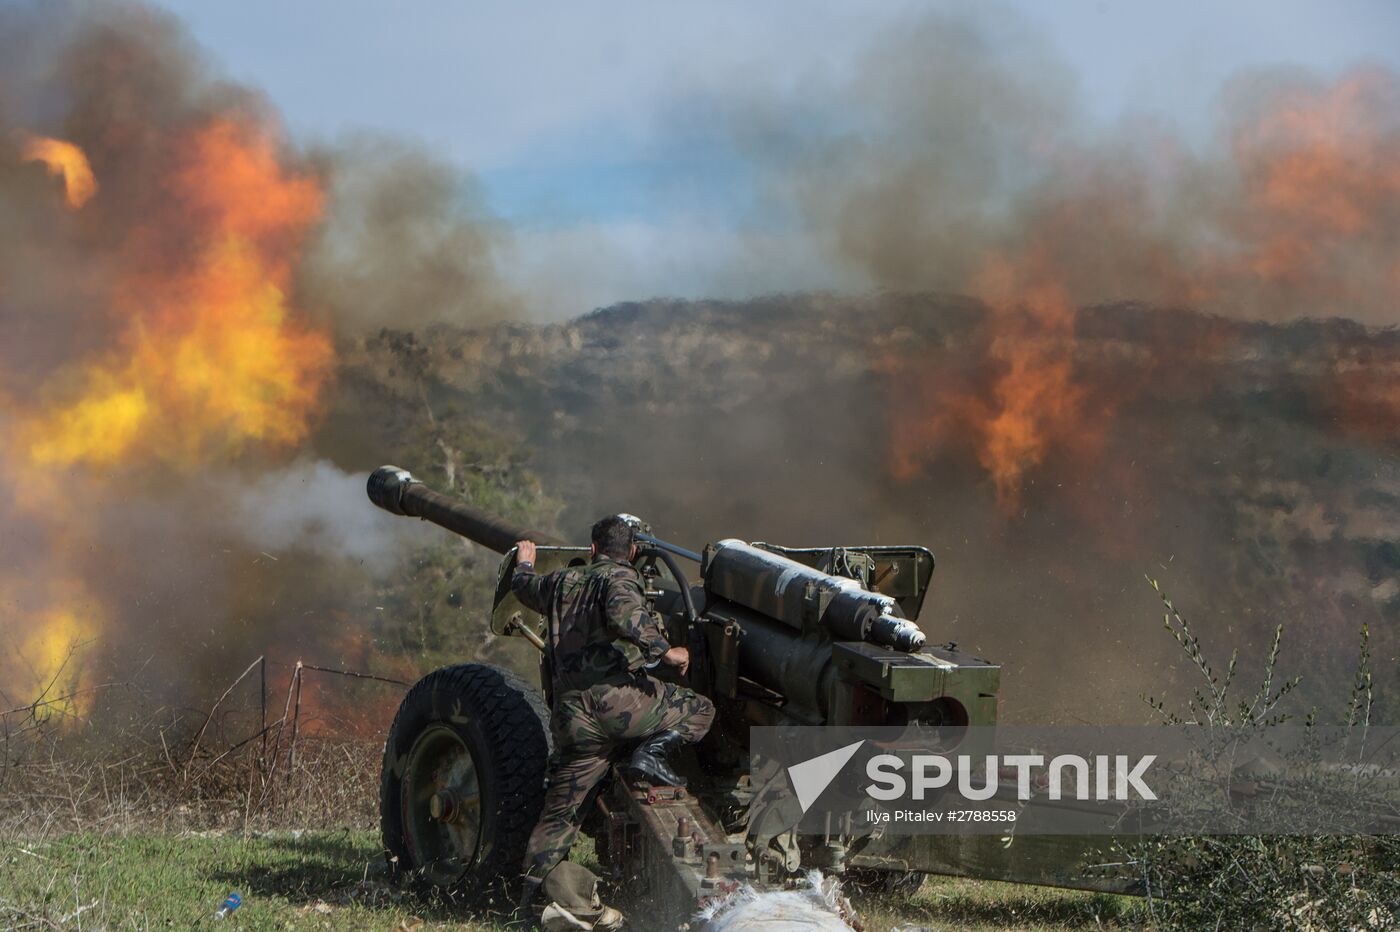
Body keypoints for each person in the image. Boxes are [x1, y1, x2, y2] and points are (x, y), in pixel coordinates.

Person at [512, 514, 715, 906]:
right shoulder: (620, 577)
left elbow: (523, 587)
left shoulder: (560, 582)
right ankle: (650, 755)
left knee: (560, 814)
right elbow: (626, 614)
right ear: (632, 551)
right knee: (701, 708)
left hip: (573, 717)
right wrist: (666, 651)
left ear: (592, 549)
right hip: (618, 706)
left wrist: (525, 563)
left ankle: (531, 901)